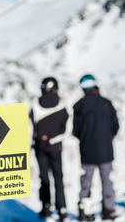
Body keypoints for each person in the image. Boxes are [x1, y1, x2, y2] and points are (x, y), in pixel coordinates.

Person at [73, 74, 119, 221]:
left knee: (86, 183)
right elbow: (115, 127)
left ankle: (84, 212)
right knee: (107, 182)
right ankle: (109, 211)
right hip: (105, 150)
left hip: (87, 151)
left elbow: (76, 131)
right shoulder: (107, 103)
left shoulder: (79, 106)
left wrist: (86, 139)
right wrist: (106, 138)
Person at [29, 77, 69, 222]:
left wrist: (40, 139)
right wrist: (52, 139)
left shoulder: (35, 104)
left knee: (44, 178)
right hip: (55, 148)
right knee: (58, 178)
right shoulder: (62, 104)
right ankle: (62, 209)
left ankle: (45, 207)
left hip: (40, 148)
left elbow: (31, 128)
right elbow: (66, 129)